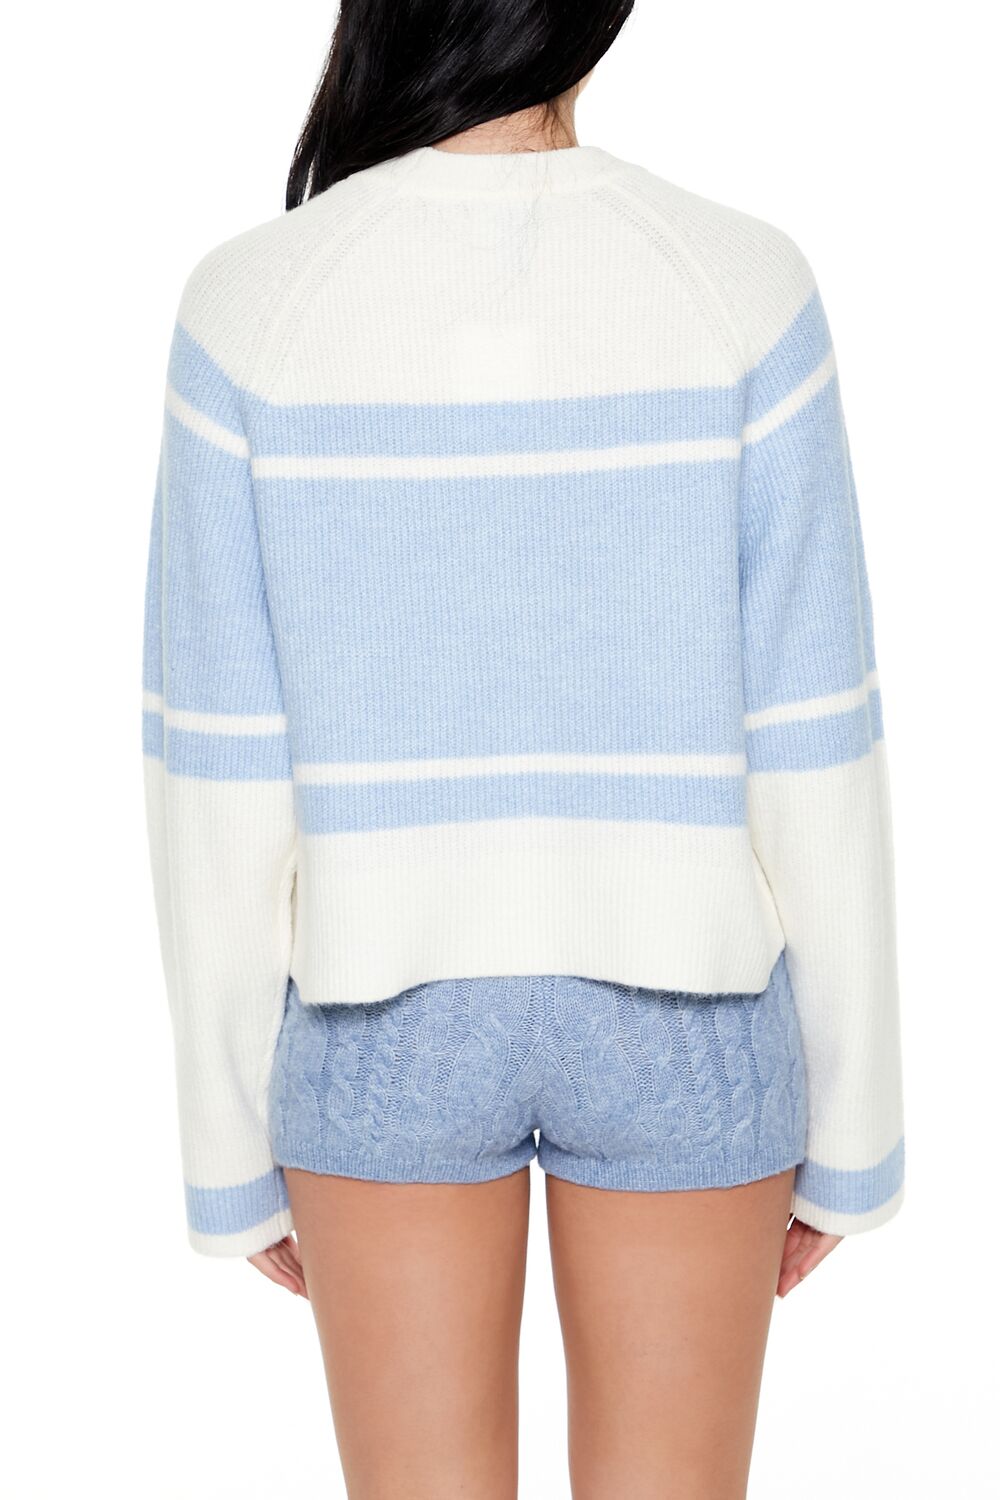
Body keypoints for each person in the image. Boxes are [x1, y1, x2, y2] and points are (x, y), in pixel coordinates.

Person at [140, 1, 906, 1493]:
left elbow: (217, 771)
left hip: (379, 1026)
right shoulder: (744, 284)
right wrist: (856, 1122)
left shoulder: (251, 306)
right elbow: (817, 740)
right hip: (689, 1023)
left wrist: (229, 1147)